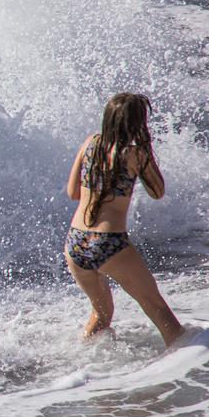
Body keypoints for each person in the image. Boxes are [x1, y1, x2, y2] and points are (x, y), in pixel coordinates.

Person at [64, 92, 186, 346]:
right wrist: (145, 153)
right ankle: (188, 368)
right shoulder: (135, 154)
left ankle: (82, 364)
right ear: (136, 125)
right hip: (109, 243)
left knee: (102, 314)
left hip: (76, 242)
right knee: (158, 309)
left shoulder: (90, 143)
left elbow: (72, 192)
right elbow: (157, 191)